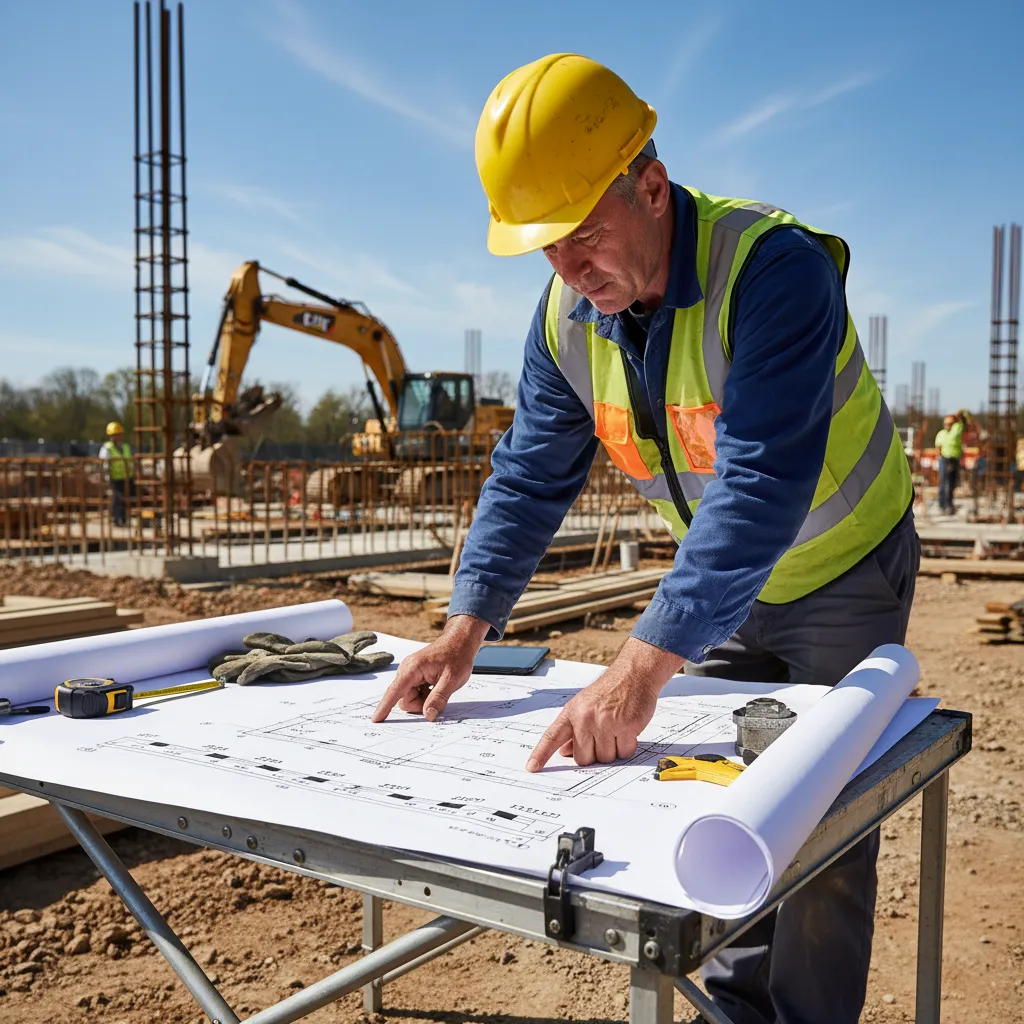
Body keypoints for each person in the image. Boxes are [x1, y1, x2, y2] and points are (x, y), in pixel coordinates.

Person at [372, 54, 918, 1024]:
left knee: (825, 822)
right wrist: (465, 626)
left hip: (846, 569)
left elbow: (758, 484)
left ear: (652, 189)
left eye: (583, 235)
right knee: (730, 803)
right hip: (733, 586)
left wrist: (635, 670)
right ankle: (744, 1007)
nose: (571, 270)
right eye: (547, 248)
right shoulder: (567, 320)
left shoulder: (772, 270)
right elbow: (529, 472)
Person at [99, 421, 134, 527]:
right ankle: (116, 519)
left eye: (119, 434)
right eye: (115, 435)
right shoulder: (107, 448)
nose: (118, 437)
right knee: (118, 498)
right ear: (110, 436)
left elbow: (131, 461)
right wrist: (106, 478)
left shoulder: (126, 447)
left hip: (128, 477)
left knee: (126, 499)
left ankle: (123, 520)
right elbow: (104, 463)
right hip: (115, 478)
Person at [934, 412, 965, 514]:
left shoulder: (956, 431)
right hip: (944, 460)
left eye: (949, 423)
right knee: (943, 483)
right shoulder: (941, 434)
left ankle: (949, 504)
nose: (947, 425)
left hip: (954, 460)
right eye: (945, 423)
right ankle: (942, 505)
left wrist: (957, 416)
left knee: (951, 483)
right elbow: (938, 448)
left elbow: (959, 425)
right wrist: (938, 459)